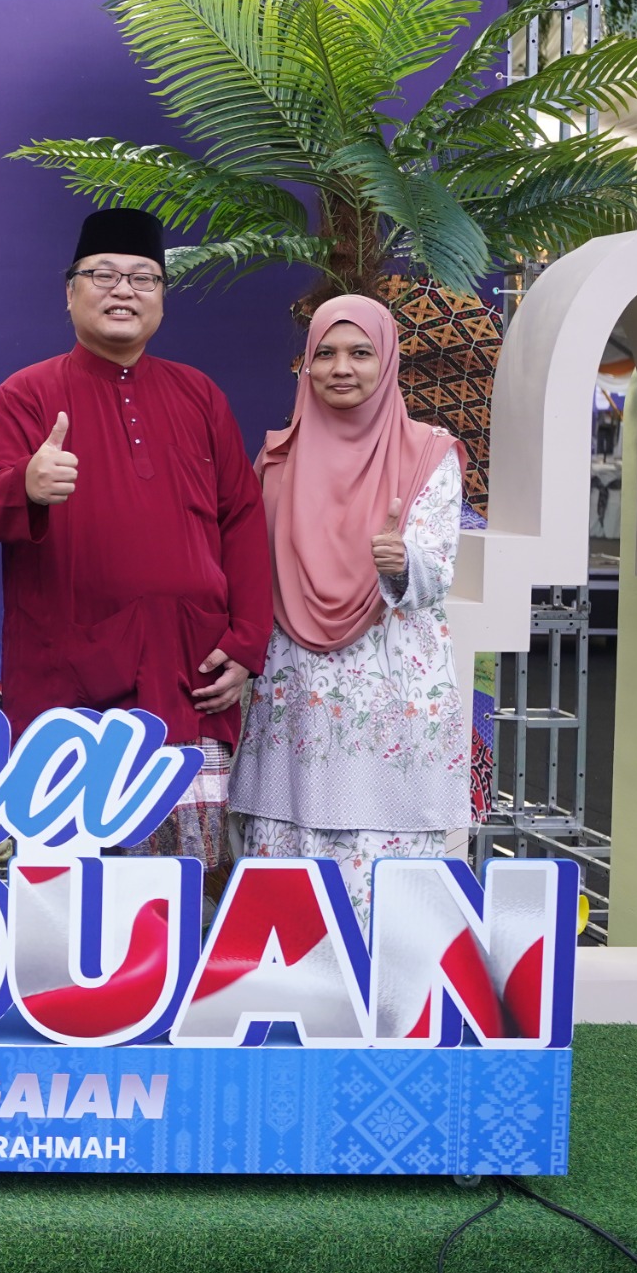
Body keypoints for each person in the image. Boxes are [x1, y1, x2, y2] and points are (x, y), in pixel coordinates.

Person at [0, 208, 273, 889]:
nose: (124, 290)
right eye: (104, 275)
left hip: (188, 674)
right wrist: (25, 484)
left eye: (143, 278)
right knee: (69, 887)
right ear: (70, 292)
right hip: (67, 683)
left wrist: (248, 642)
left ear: (161, 297)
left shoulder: (199, 395)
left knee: (187, 887)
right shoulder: (27, 394)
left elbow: (243, 520)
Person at [231, 296, 466, 923]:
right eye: (326, 354)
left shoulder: (430, 454)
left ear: (386, 361)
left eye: (360, 353)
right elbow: (249, 572)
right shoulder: (277, 460)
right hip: (299, 693)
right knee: (292, 850)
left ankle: (385, 972)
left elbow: (437, 567)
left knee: (381, 864)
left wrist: (402, 560)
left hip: (388, 688)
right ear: (306, 365)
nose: (342, 368)